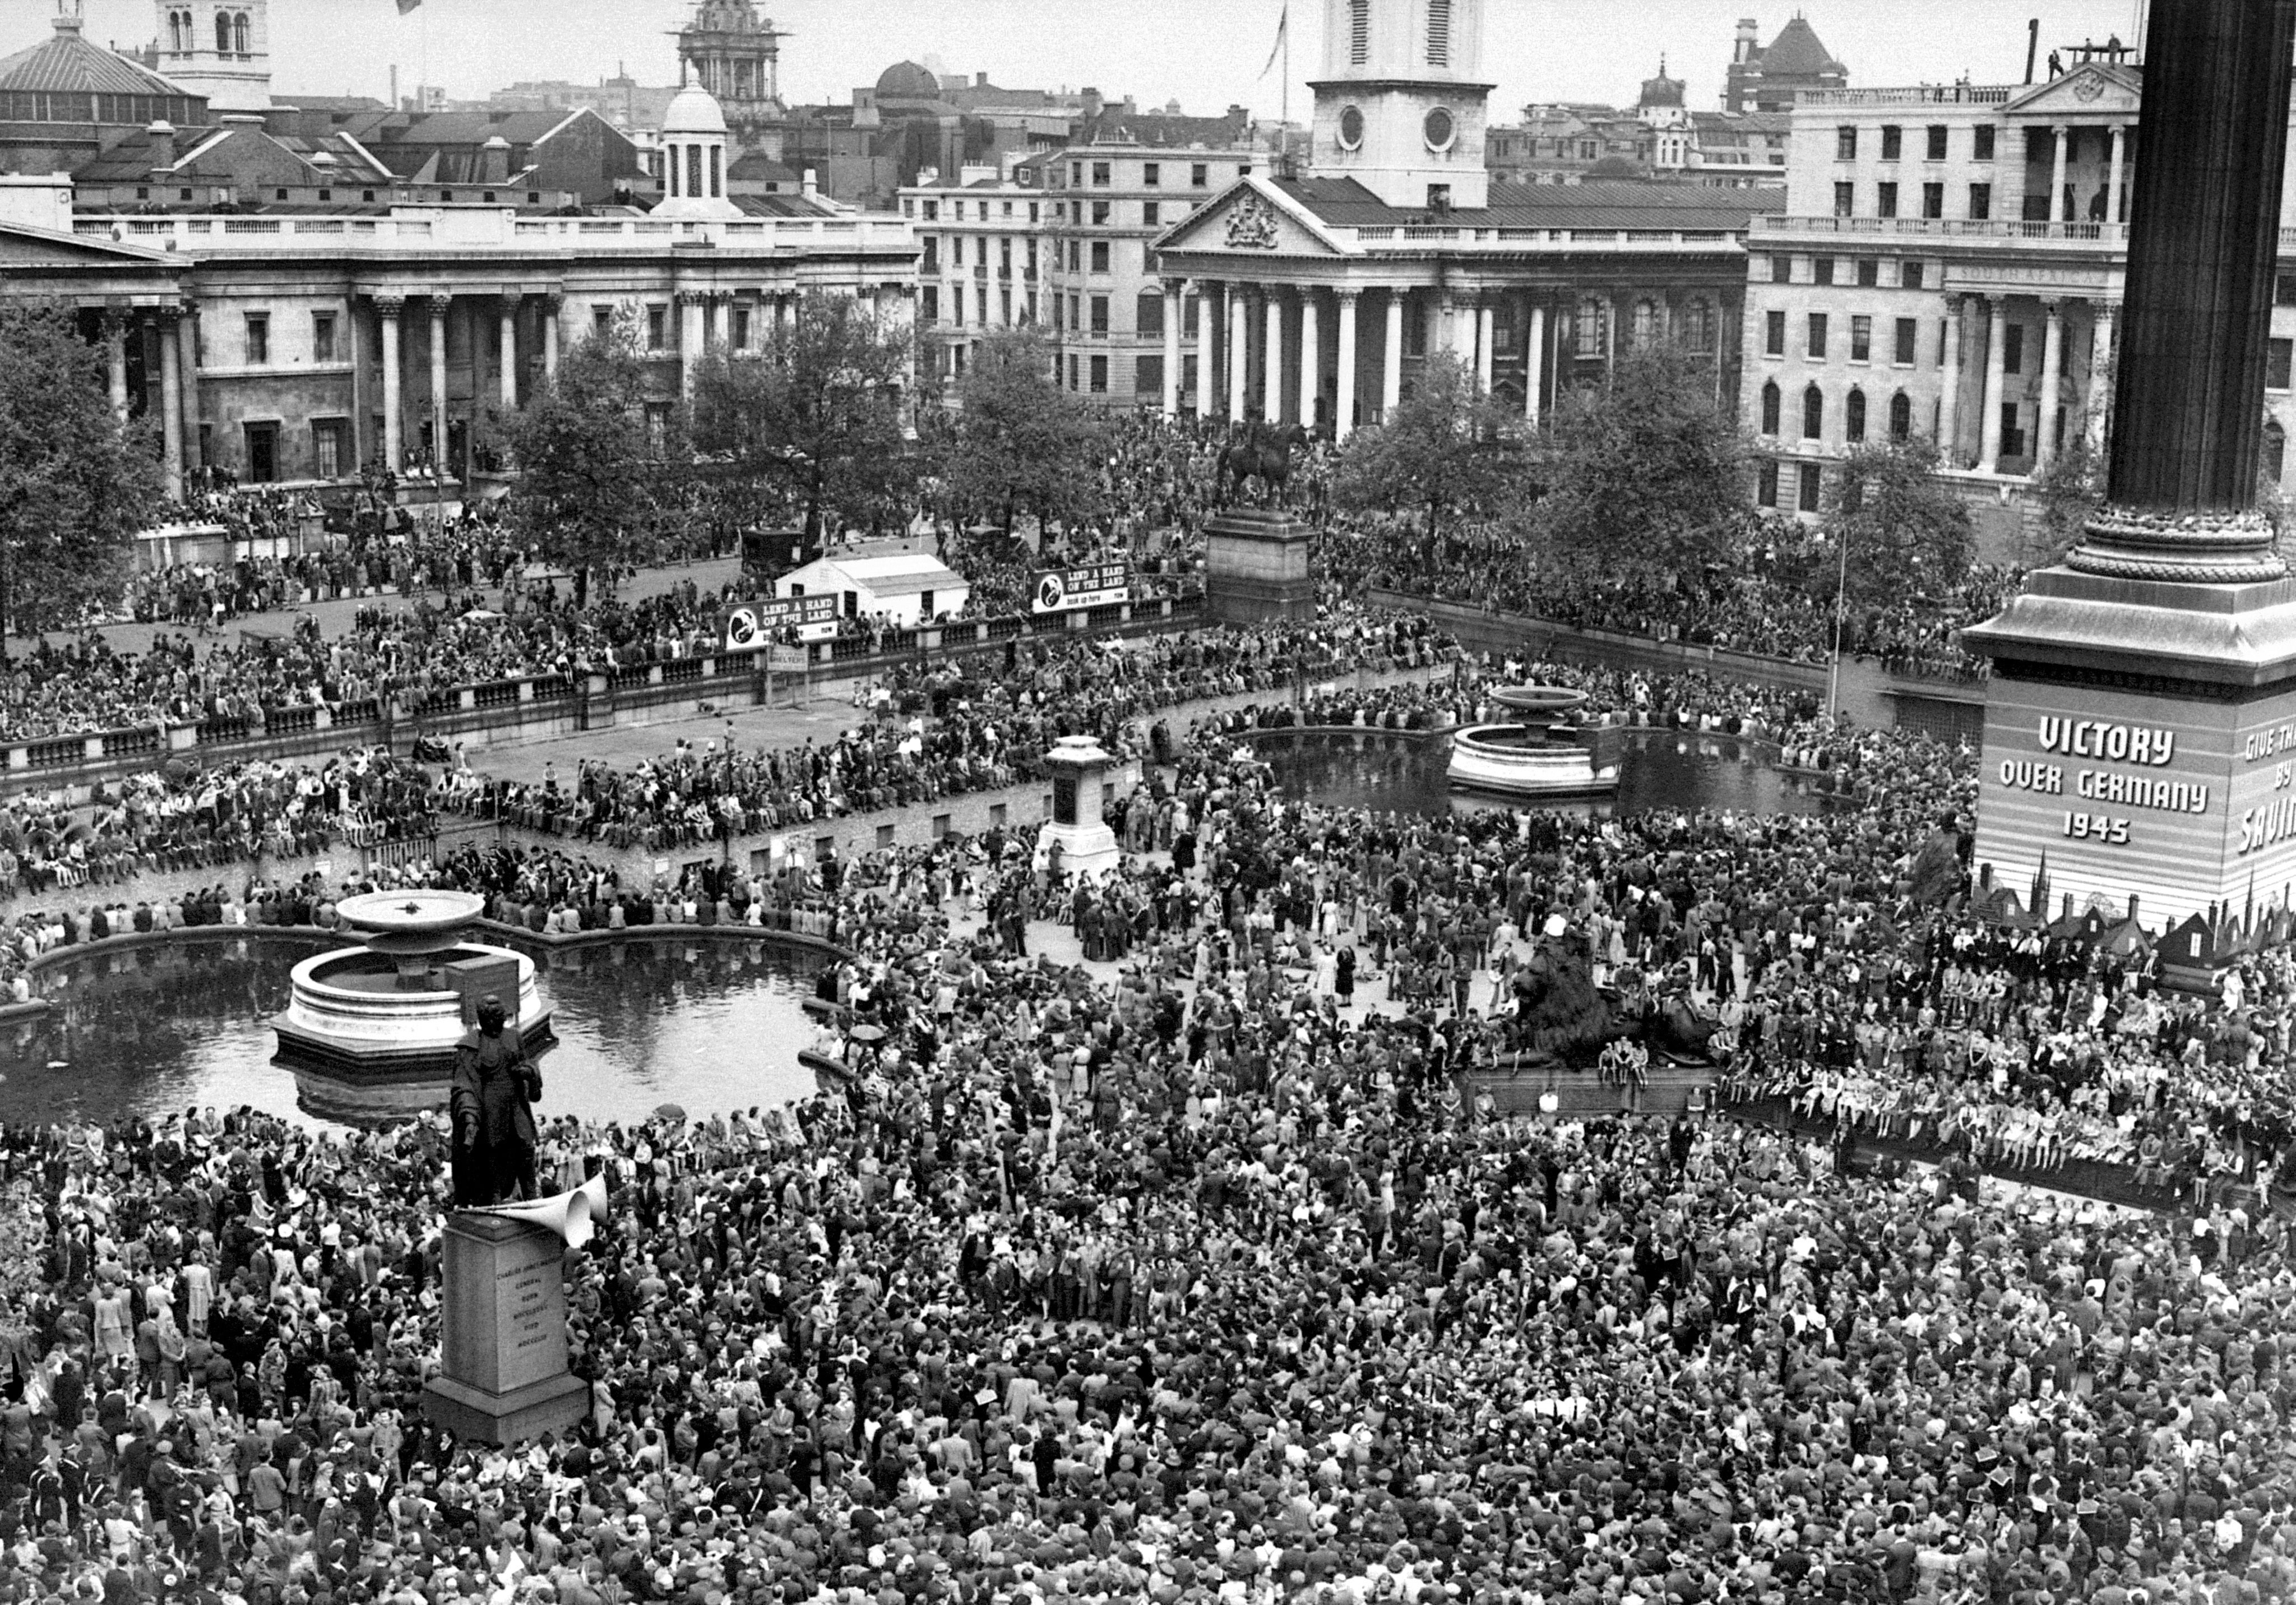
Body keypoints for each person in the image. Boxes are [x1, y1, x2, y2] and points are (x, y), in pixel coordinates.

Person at [448, 992, 541, 1206]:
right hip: (490, 1103)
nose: (495, 1025)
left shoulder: (514, 1037)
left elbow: (529, 1062)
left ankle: (531, 1193)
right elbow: (465, 1084)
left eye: (499, 1021)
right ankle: (495, 1195)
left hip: (515, 1100)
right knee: (494, 1148)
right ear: (482, 1021)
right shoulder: (471, 1047)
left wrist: (528, 1072)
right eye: (490, 1021)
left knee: (526, 1145)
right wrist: (470, 1117)